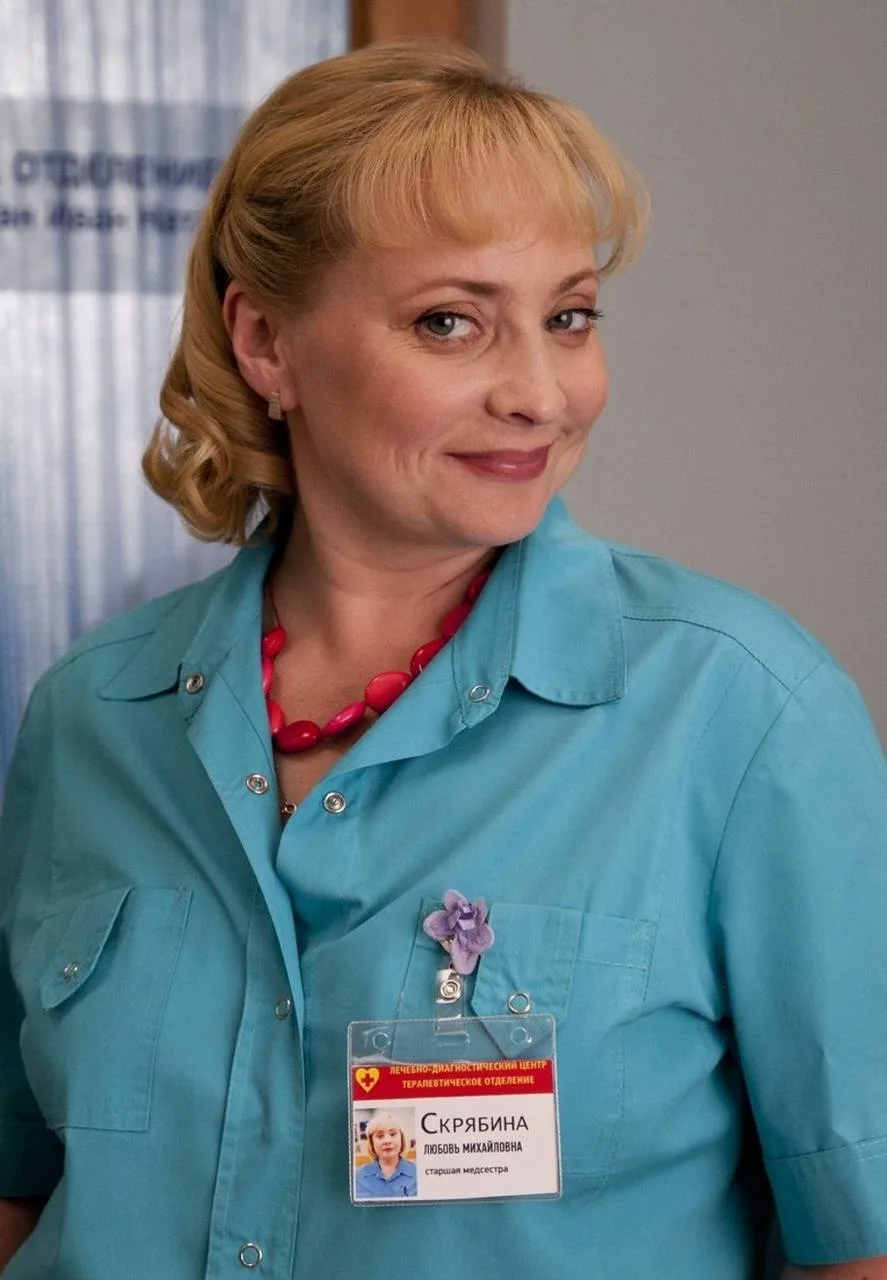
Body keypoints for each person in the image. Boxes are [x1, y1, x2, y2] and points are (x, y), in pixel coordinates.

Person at [0, 38, 886, 1280]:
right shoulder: (93, 711)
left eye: (567, 317)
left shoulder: (740, 712)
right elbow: (24, 1190)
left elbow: (859, 1245)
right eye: (450, 322)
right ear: (266, 342)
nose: (539, 392)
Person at [354, 1113, 417, 1199]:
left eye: (393, 1134)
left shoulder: (417, 1173)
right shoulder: (358, 1177)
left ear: (402, 1139)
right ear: (372, 1143)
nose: (387, 1141)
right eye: (380, 1136)